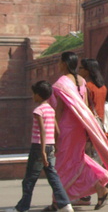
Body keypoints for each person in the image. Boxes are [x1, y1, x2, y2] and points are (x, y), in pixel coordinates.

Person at [50, 51, 108, 210]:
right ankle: (103, 183)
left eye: (59, 62)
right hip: (80, 125)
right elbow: (85, 107)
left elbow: (59, 110)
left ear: (64, 63)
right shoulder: (81, 81)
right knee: (77, 159)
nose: (58, 65)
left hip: (66, 127)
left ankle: (63, 198)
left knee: (65, 163)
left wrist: (55, 131)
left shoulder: (61, 83)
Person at [8, 81, 73, 212]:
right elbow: (57, 130)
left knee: (29, 179)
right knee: (53, 177)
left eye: (34, 94)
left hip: (39, 147)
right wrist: (55, 144)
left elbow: (42, 131)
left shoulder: (38, 110)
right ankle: (65, 204)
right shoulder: (51, 109)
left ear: (38, 95)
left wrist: (42, 151)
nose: (33, 96)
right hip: (50, 146)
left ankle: (22, 208)